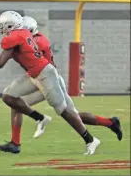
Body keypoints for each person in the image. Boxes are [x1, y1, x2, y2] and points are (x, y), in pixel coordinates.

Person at [0, 11, 100, 155]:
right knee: (8, 96)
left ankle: (90, 140)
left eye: (3, 25)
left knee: (63, 111)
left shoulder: (14, 37)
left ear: (11, 25)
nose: (1, 28)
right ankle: (40, 119)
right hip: (34, 74)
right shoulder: (22, 33)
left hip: (45, 74)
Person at [7, 16, 123, 150]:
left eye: (20, 31)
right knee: (16, 104)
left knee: (71, 115)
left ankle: (107, 125)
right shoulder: (32, 38)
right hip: (39, 80)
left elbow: (19, 50)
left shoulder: (38, 41)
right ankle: (110, 122)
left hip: (49, 82)